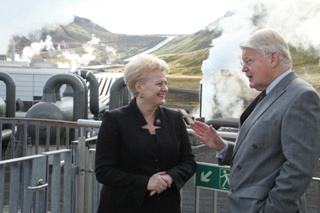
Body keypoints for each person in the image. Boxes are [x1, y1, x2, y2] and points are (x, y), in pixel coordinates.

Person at [190, 28, 320, 213]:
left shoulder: (301, 96)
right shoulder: (269, 94)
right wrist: (223, 147)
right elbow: (264, 154)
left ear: (273, 59)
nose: (243, 69)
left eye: (248, 61)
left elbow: (299, 169)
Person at [95, 54, 196, 213]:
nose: (165, 89)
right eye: (159, 83)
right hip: (122, 207)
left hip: (166, 207)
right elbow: (104, 171)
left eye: (165, 83)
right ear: (139, 87)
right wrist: (146, 183)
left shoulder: (174, 118)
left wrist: (169, 178)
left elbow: (188, 162)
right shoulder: (115, 120)